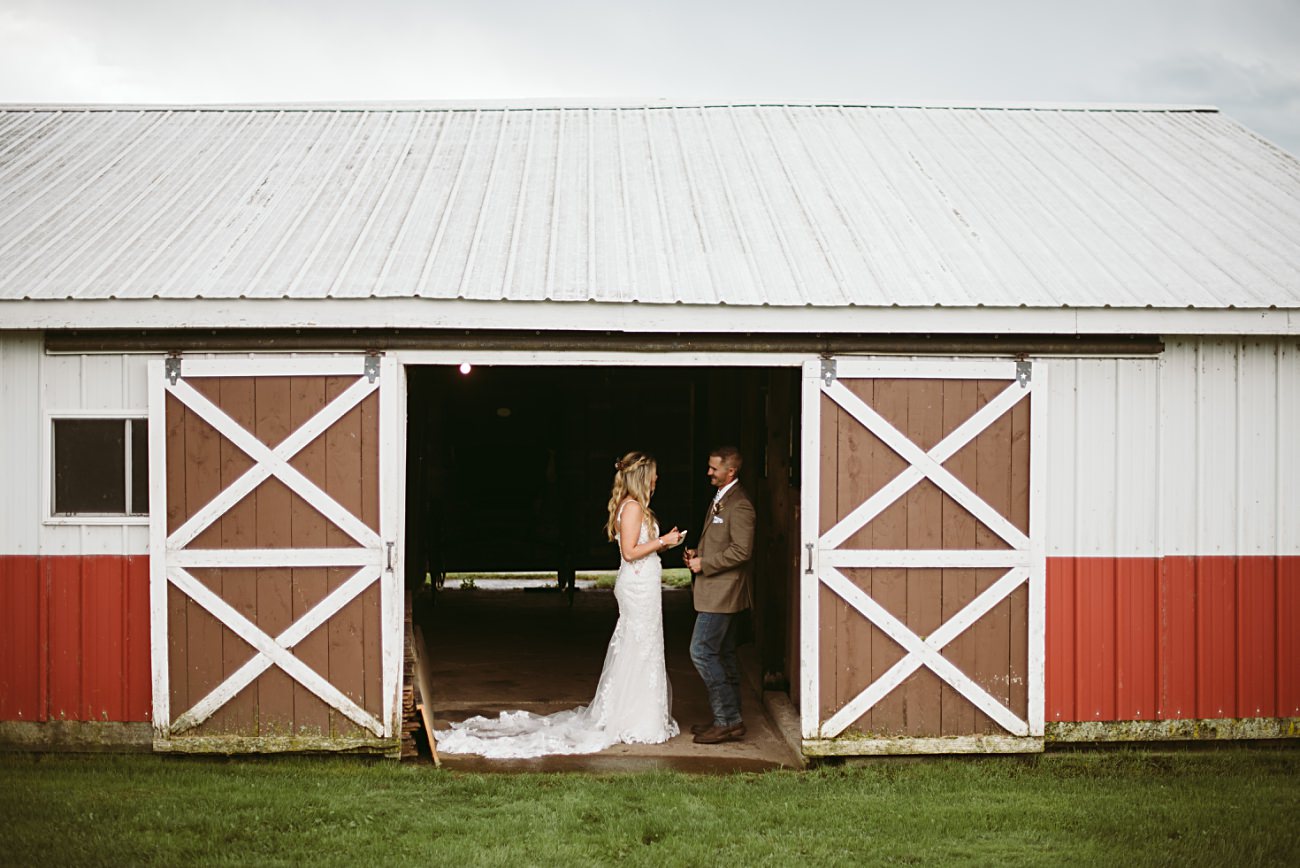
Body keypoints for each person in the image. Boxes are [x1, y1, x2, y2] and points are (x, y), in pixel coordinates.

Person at [435, 451, 683, 758]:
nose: (658, 478)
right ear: (642, 477)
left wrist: (664, 541)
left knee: (643, 646)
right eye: (654, 473)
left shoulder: (636, 507)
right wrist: (663, 542)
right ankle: (634, 719)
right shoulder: (631, 508)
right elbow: (630, 552)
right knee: (639, 645)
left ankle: (640, 714)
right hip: (637, 588)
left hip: (644, 586)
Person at [684, 446, 754, 745]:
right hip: (715, 589)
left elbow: (741, 551)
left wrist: (706, 564)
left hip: (723, 592)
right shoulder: (722, 500)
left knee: (701, 651)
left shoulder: (740, 506)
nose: (708, 473)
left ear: (731, 472)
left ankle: (728, 721)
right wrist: (699, 553)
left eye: (713, 468)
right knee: (723, 654)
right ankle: (728, 718)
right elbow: (720, 541)